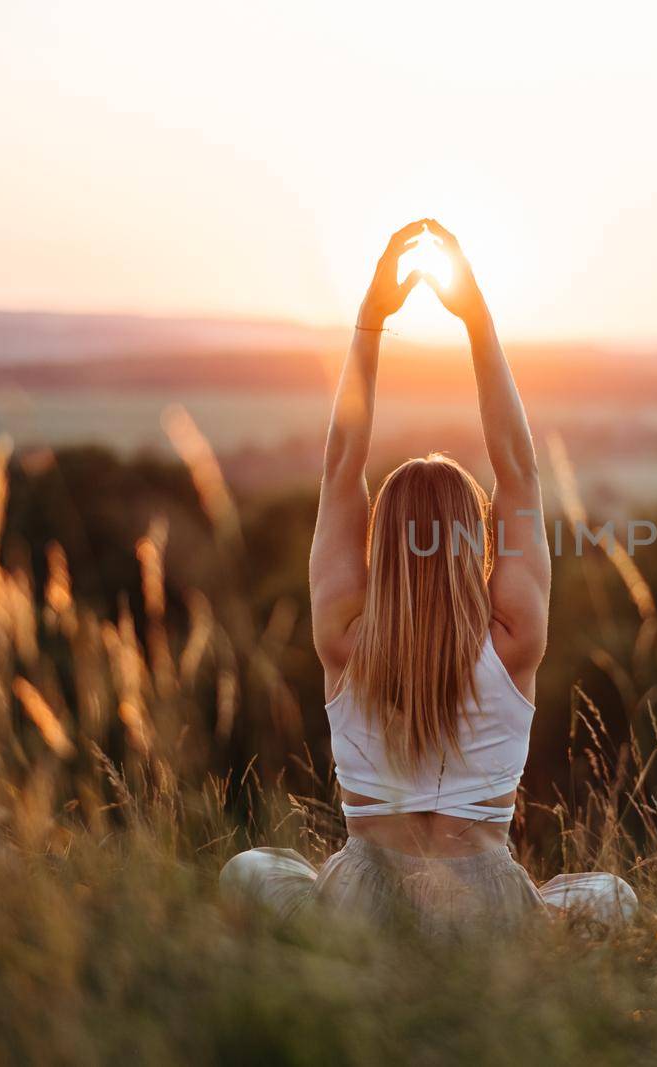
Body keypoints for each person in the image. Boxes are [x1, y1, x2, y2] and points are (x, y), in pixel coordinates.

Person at [220, 220, 635, 935]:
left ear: (382, 539)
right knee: (610, 898)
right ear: (474, 537)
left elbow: (341, 464)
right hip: (489, 908)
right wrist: (477, 321)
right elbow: (521, 470)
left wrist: (370, 322)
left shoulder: (343, 635)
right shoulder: (514, 638)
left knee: (248, 870)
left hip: (362, 904)